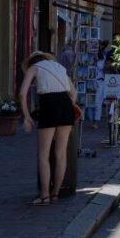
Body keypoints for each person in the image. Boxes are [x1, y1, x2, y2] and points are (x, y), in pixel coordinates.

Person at [19, 52, 77, 205]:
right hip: (65, 105)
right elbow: (73, 92)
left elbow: (22, 93)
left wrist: (26, 115)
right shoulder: (59, 67)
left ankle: (44, 195)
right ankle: (55, 193)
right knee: (61, 154)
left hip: (48, 104)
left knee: (44, 155)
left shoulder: (34, 68)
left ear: (32, 62)